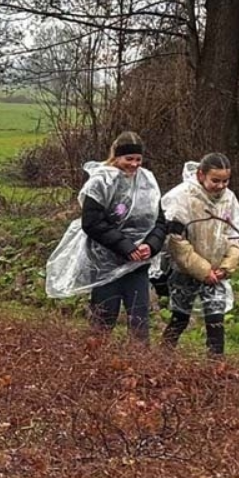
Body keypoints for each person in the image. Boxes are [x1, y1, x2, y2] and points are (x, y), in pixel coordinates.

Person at [45, 131, 167, 343]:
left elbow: (159, 221)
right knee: (103, 319)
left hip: (138, 264)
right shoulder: (101, 181)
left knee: (139, 322)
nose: (134, 164)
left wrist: (151, 245)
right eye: (129, 159)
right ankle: (96, 359)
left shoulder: (147, 181)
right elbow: (92, 222)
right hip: (106, 262)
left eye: (138, 159)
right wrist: (125, 246)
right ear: (116, 157)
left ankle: (140, 361)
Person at [160, 153, 239, 356]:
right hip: (186, 269)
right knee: (180, 318)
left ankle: (216, 365)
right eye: (215, 180)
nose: (221, 186)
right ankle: (161, 358)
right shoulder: (182, 196)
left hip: (217, 271)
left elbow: (234, 235)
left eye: (225, 181)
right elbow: (175, 240)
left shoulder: (229, 198)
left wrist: (226, 266)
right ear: (201, 175)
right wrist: (202, 270)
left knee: (216, 319)